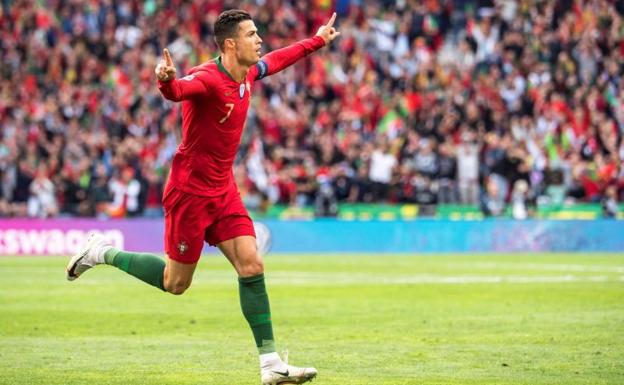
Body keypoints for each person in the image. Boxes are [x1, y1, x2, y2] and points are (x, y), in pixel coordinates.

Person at [66, 9, 340, 385]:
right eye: (252, 34)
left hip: (223, 189)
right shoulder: (208, 79)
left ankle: (270, 364)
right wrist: (166, 82)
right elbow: (180, 91)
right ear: (231, 44)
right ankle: (100, 252)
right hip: (190, 193)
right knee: (175, 283)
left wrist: (318, 41)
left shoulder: (248, 72)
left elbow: (277, 60)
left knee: (251, 265)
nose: (260, 40)